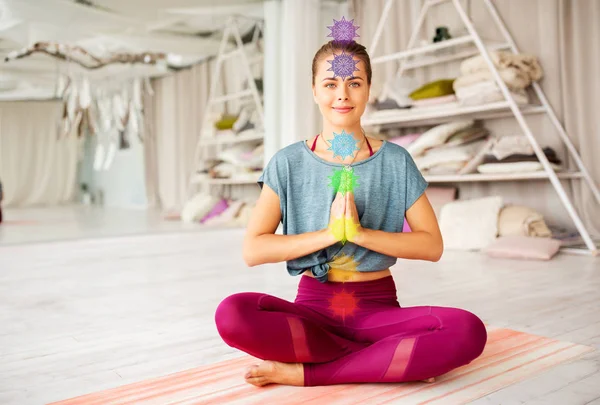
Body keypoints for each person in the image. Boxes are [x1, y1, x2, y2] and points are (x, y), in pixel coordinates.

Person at [214, 39, 487, 388]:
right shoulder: (287, 163)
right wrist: (330, 235)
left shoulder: (395, 161)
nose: (342, 94)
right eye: (330, 84)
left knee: (468, 330)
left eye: (354, 83)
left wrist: (360, 234)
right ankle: (382, 356)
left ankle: (312, 371)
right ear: (314, 90)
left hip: (379, 310)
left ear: (368, 89)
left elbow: (431, 246)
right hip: (313, 311)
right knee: (232, 313)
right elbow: (254, 250)